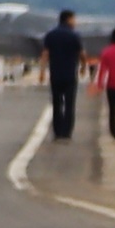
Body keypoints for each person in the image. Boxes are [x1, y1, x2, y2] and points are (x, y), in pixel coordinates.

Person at [40, 9, 87, 141]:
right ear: (68, 19)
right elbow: (82, 54)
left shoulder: (50, 35)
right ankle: (66, 132)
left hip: (55, 74)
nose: (75, 22)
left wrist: (42, 72)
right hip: (70, 75)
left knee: (56, 103)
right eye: (74, 19)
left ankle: (57, 131)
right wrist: (84, 67)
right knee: (69, 104)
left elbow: (45, 54)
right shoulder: (74, 35)